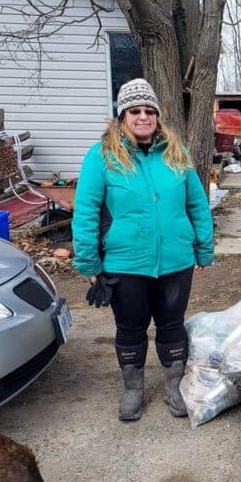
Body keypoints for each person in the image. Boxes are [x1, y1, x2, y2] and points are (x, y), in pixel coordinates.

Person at [72, 78, 214, 421]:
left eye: (149, 110)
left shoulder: (176, 154)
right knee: (130, 328)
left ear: (157, 116)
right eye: (134, 110)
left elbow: (197, 204)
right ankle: (133, 389)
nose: (142, 117)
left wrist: (204, 247)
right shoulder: (102, 157)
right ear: (122, 116)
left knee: (172, 325)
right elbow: (86, 210)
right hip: (125, 264)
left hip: (176, 261)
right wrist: (88, 262)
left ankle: (174, 386)